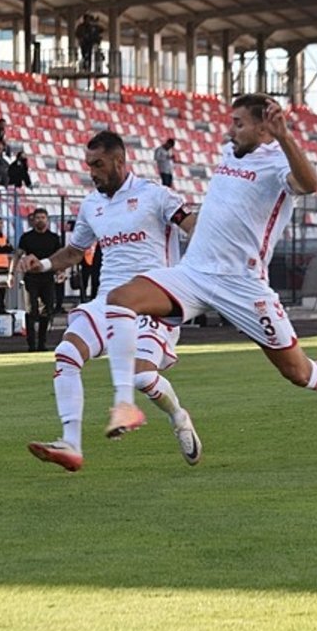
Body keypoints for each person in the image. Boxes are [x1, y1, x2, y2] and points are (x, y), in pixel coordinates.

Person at [96, 94, 317, 452]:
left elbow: (310, 184)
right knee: (121, 299)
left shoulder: (279, 162)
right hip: (194, 273)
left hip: (242, 285)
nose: (230, 130)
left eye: (238, 123)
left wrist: (284, 136)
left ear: (264, 128)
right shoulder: (230, 151)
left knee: (298, 372)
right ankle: (125, 404)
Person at [16, 130, 198, 473]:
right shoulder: (92, 205)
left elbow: (193, 227)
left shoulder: (155, 196)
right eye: (89, 166)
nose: (92, 172)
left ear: (119, 161)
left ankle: (178, 416)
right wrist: (40, 265)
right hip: (107, 301)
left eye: (98, 164)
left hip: (151, 301)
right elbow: (74, 251)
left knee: (143, 379)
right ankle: (71, 443)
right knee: (66, 353)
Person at [16, 208, 62, 351]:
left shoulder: (54, 238)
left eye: (43, 217)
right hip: (31, 278)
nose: (40, 220)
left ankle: (42, 344)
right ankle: (31, 344)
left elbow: (60, 257)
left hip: (48, 278)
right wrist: (12, 273)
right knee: (31, 311)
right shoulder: (26, 237)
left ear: (47, 220)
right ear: (33, 220)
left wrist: (61, 271)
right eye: (38, 217)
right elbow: (18, 255)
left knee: (47, 311)